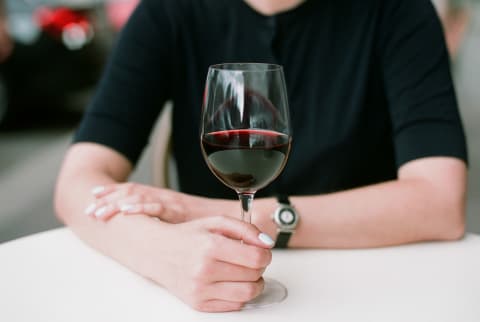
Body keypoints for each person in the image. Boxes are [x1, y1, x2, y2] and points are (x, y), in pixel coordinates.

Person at [54, 0, 468, 313]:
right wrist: (159, 249)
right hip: (212, 303)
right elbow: (78, 181)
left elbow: (440, 202)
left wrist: (189, 209)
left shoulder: (397, 11)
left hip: (371, 294)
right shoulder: (170, 11)